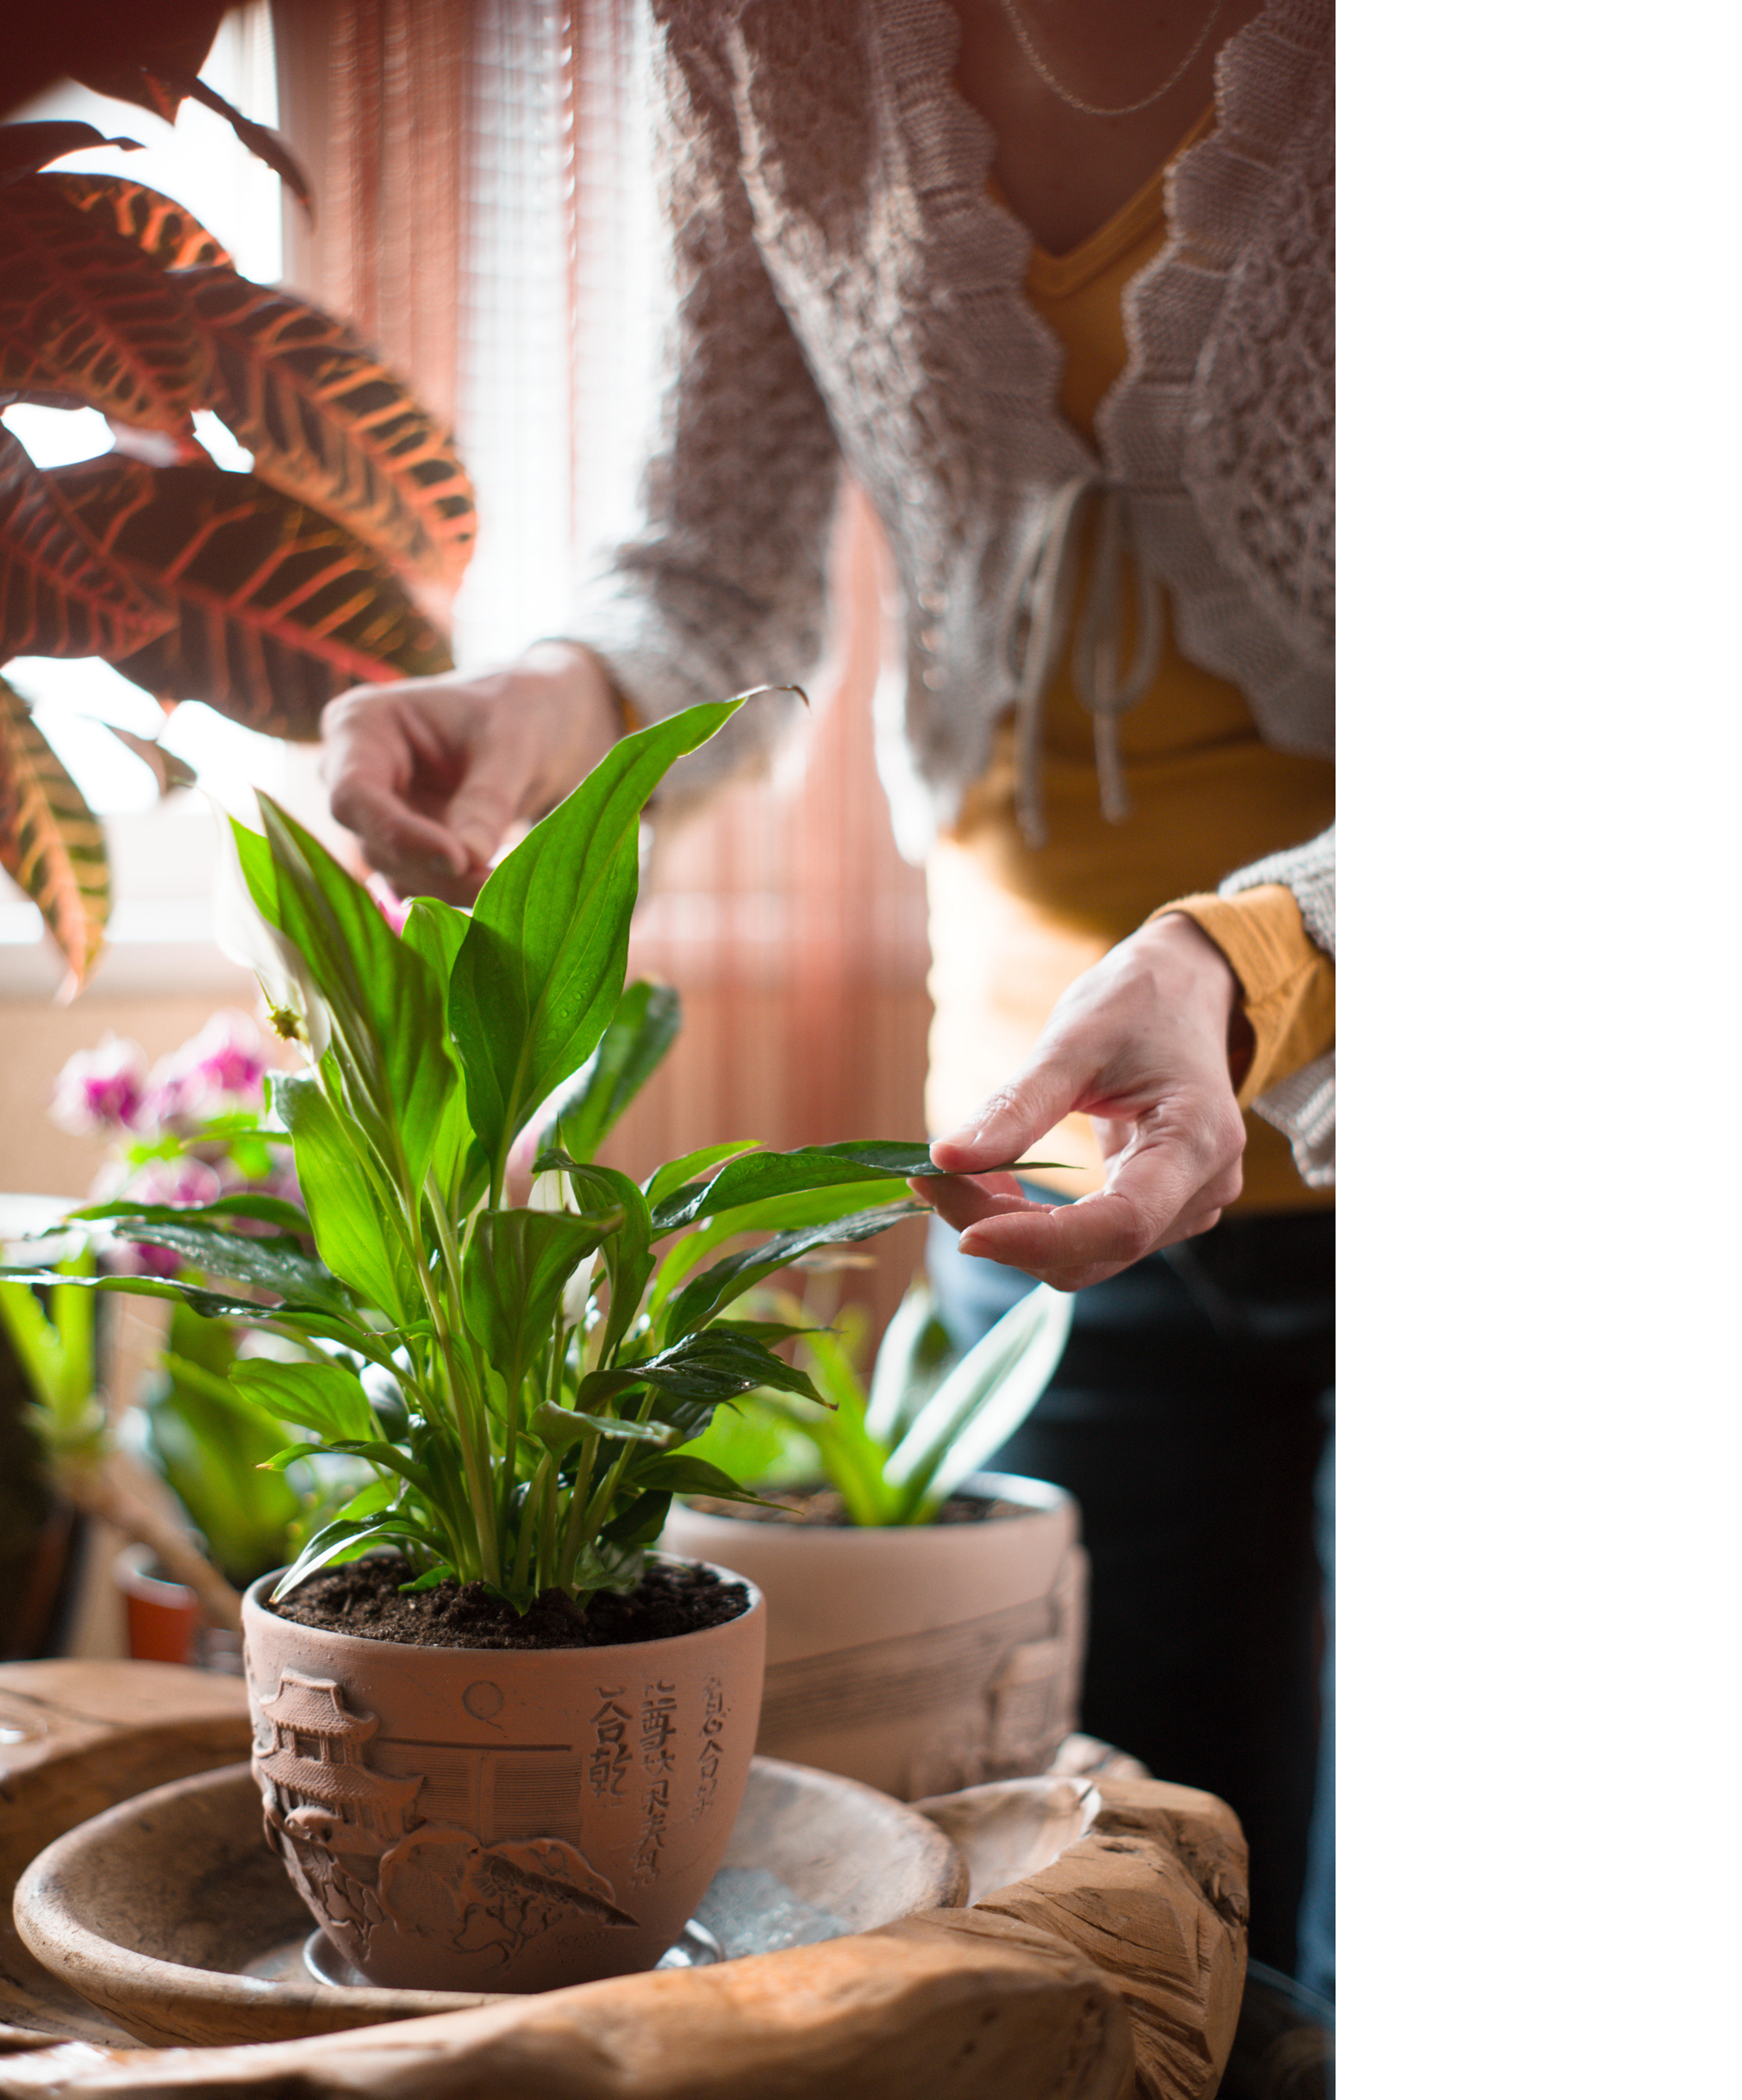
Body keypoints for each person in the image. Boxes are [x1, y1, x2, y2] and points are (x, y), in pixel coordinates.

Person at [318, 0, 1333, 1993]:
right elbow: (708, 560)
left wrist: (1263, 955)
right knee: (1117, 1950)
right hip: (1047, 1176)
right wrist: (565, 696)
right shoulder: (764, 34)